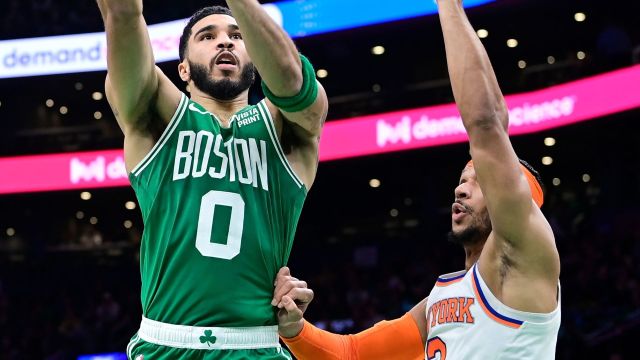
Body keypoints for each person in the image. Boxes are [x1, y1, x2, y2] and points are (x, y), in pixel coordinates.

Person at [272, 0, 561, 358]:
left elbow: (487, 123)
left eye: (478, 180)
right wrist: (294, 330)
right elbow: (353, 354)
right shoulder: (442, 298)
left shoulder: (525, 250)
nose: (461, 187)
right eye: (462, 178)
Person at [95, 0, 328, 358]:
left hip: (256, 346)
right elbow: (123, 15)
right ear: (183, 70)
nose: (225, 42)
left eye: (237, 35)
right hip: (166, 343)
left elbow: (292, 79)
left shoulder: (289, 126)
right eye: (208, 36)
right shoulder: (154, 114)